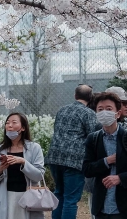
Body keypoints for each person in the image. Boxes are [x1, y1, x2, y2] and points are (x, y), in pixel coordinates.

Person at [83, 92, 127, 219]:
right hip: (101, 207)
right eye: (100, 109)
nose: (104, 112)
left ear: (118, 113)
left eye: (109, 109)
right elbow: (86, 169)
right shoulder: (93, 139)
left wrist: (121, 178)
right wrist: (106, 161)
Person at [45, 84, 97, 219]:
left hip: (55, 157)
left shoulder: (62, 110)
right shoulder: (89, 113)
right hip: (74, 160)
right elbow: (93, 137)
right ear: (91, 98)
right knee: (71, 199)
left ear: (75, 96)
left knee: (59, 193)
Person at [0, 112, 46, 219]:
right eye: (7, 123)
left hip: (28, 197)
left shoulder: (34, 148)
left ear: (23, 128)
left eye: (14, 122)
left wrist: (23, 162)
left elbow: (39, 176)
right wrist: (0, 169)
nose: (9, 125)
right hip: (6, 197)